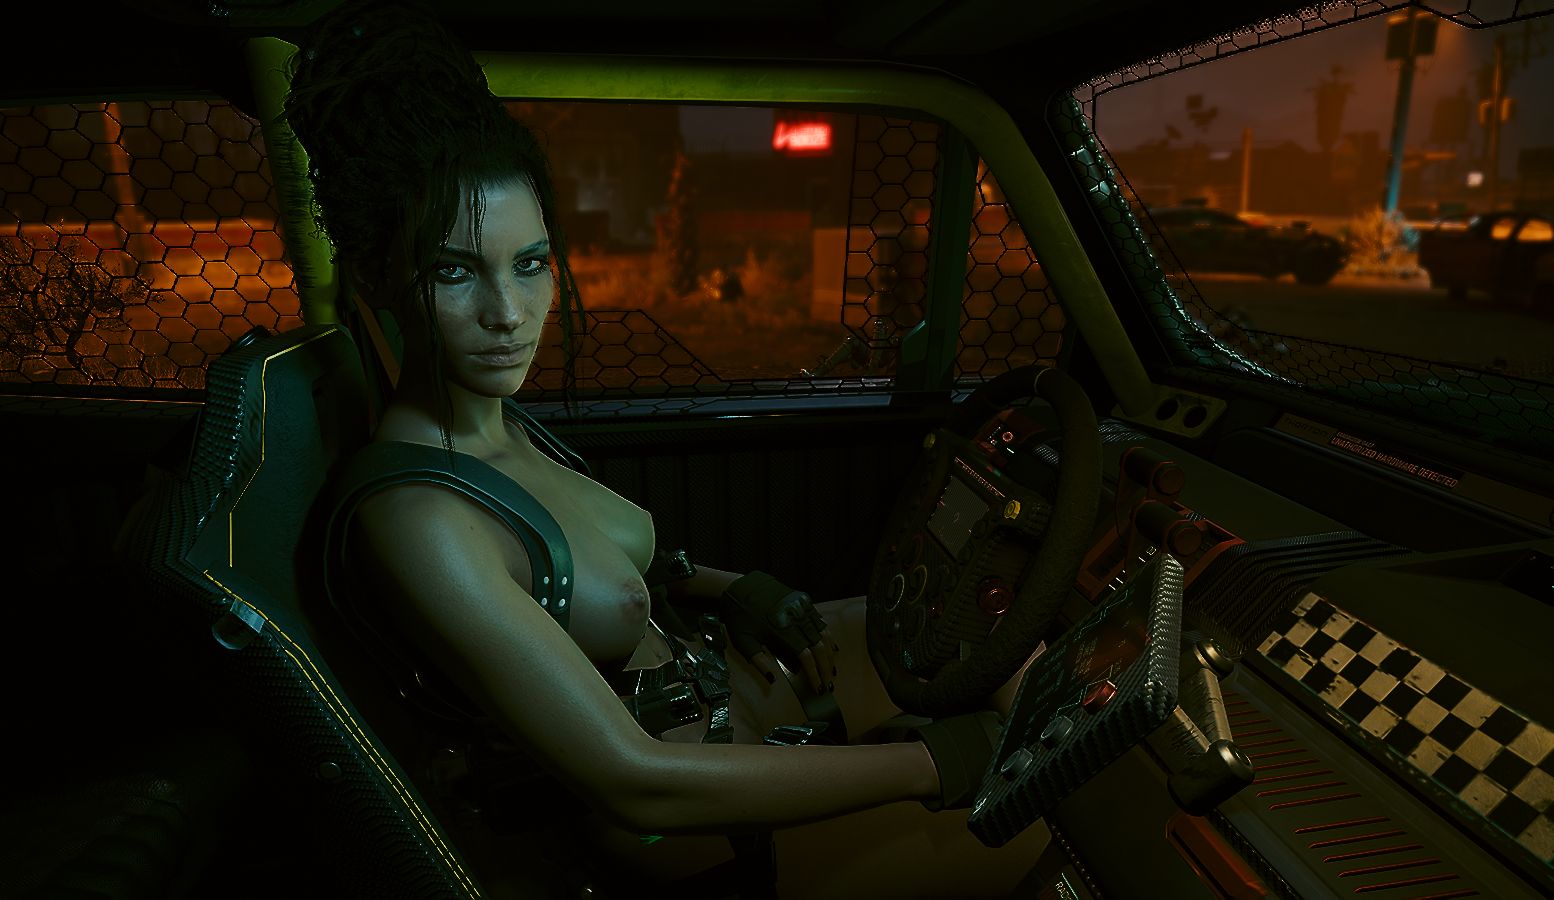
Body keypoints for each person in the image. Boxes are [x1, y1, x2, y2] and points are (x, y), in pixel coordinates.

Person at [285, 2, 1048, 896]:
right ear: (377, 277)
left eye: (530, 263)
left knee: (980, 639)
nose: (509, 313)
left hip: (727, 689)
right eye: (454, 271)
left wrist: (732, 588)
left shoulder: (499, 419)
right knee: (1048, 821)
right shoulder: (422, 520)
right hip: (697, 830)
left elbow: (591, 578)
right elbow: (634, 781)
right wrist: (936, 763)